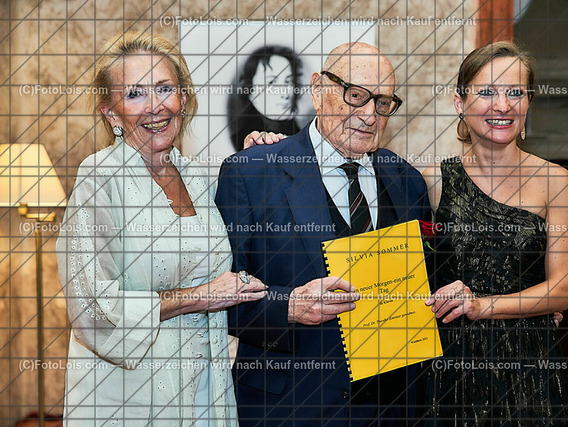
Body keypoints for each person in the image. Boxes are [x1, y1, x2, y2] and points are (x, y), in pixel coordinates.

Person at [56, 32, 269, 426]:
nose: (155, 106)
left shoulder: (198, 178)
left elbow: (237, 252)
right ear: (111, 113)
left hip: (205, 386)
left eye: (164, 88)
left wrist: (259, 162)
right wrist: (200, 296)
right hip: (129, 395)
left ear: (183, 98)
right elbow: (91, 309)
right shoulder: (100, 178)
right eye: (135, 93)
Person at [215, 42, 431, 425]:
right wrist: (288, 305)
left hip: (390, 408)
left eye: (382, 102)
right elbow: (218, 298)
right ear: (317, 89)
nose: (369, 115)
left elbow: (426, 288)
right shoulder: (251, 172)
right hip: (289, 409)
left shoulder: (408, 182)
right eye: (356, 95)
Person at [422, 41, 568, 425]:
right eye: (487, 92)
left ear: (528, 103)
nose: (503, 105)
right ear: (460, 103)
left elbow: (562, 290)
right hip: (452, 368)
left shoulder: (555, 182)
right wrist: (280, 150)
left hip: (531, 368)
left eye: (515, 93)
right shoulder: (432, 181)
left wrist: (482, 306)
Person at [228, 45, 303, 151]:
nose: (285, 93)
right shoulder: (241, 143)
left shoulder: (301, 136)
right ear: (251, 90)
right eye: (271, 82)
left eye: (288, 81)